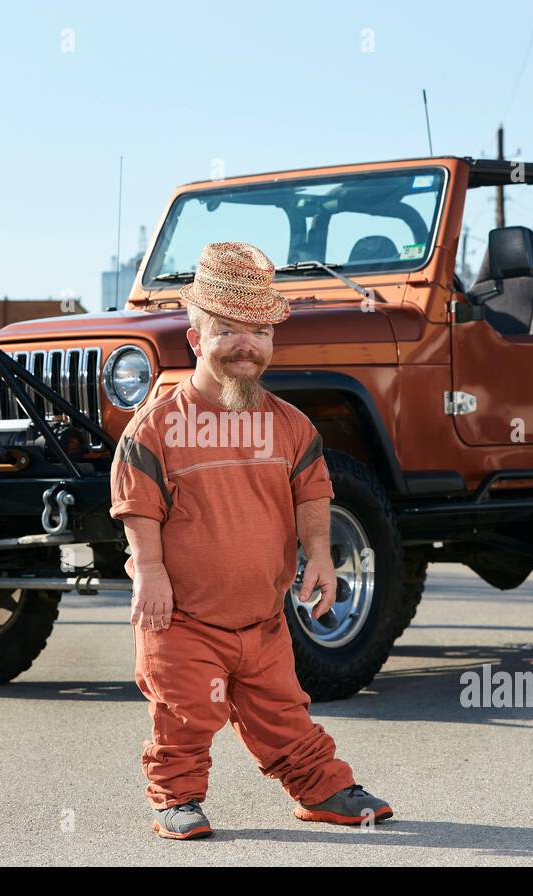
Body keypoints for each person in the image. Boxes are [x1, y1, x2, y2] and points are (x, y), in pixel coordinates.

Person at [110, 240, 393, 839]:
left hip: (263, 621)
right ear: (194, 340)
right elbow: (137, 503)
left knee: (285, 713)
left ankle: (323, 790)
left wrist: (319, 555)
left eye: (261, 332)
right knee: (185, 714)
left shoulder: (291, 425)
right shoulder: (158, 426)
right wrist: (150, 571)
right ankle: (176, 798)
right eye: (230, 331)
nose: (248, 346)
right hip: (180, 619)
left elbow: (312, 492)